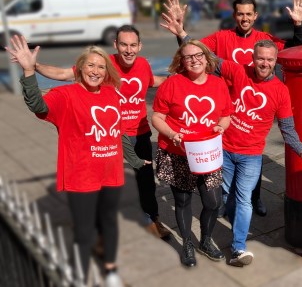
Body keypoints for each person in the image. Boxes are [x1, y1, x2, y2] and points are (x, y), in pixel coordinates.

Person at [162, 11, 302, 266]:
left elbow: (288, 127)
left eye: (270, 60)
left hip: (251, 154)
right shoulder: (238, 72)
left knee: (244, 199)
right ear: (253, 58)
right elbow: (204, 57)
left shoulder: (281, 92)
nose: (265, 63)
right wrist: (183, 35)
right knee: (225, 199)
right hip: (223, 149)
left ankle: (238, 248)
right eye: (260, 59)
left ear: (275, 61)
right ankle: (223, 229)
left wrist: (301, 150)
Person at [6, 36, 149, 286]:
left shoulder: (111, 94)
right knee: (83, 232)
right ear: (80, 68)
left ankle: (110, 268)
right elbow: (37, 105)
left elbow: (119, 133)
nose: (95, 71)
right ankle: (79, 277)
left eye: (101, 66)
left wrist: (135, 160)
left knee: (108, 224)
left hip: (111, 172)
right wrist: (29, 71)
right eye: (90, 65)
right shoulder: (66, 95)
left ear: (107, 71)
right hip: (81, 175)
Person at [162, 0, 302, 217]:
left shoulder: (263, 38)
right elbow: (198, 50)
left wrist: (297, 25)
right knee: (224, 159)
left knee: (253, 154)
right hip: (226, 106)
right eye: (240, 13)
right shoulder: (222, 37)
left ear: (255, 15)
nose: (244, 18)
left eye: (249, 14)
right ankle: (223, 202)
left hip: (253, 105)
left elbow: (293, 48)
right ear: (234, 15)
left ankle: (255, 198)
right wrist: (181, 32)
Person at [31, 25, 171, 240]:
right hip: (109, 134)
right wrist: (34, 66)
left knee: (146, 181)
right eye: (123, 44)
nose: (128, 49)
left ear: (140, 46)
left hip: (140, 132)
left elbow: (154, 81)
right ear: (115, 45)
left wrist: (184, 79)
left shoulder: (142, 64)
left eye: (133, 45)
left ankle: (152, 218)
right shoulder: (103, 65)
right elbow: (63, 74)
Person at [151, 40, 233, 267]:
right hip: (178, 152)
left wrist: (221, 127)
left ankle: (205, 240)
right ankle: (187, 242)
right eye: (188, 57)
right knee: (183, 200)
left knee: (213, 201)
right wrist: (172, 133)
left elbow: (226, 115)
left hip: (207, 153)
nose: (194, 60)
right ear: (182, 61)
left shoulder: (218, 84)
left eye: (199, 55)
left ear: (207, 58)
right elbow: (157, 116)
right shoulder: (172, 84)